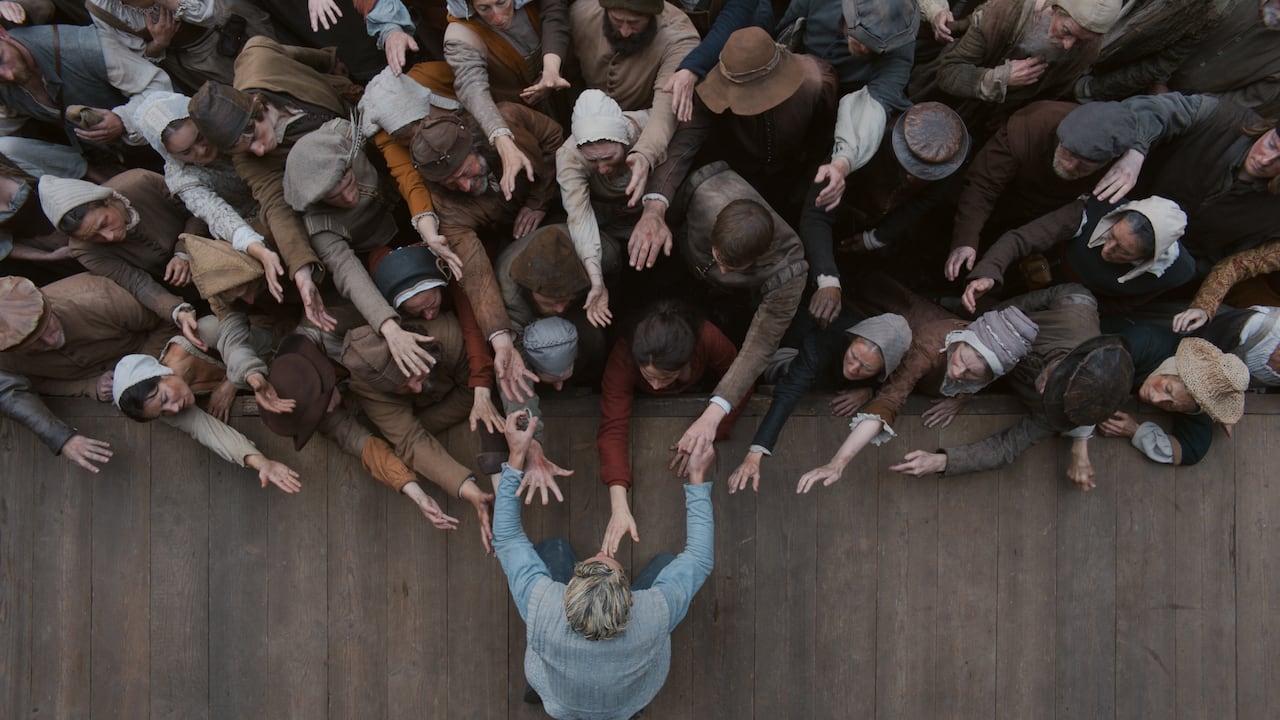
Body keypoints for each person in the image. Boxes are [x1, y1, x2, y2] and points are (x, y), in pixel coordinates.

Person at [493, 408, 714, 719]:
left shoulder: (543, 603)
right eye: (613, 566)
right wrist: (697, 477)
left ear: (568, 593)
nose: (604, 553)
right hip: (627, 702)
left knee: (555, 548)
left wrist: (516, 455)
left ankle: (545, 691)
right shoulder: (654, 612)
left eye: (593, 564)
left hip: (559, 701)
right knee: (667, 563)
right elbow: (698, 559)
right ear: (631, 601)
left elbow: (507, 539)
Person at [186, 36, 360, 333]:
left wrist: (329, 60)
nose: (258, 151)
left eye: (254, 137)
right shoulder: (248, 161)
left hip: (352, 106)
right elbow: (276, 206)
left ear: (257, 107)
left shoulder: (258, 57)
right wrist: (302, 270)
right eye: (244, 149)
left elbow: (298, 54)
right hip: (349, 173)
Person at [944, 92, 1215, 281]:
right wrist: (965, 240)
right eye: (1067, 153)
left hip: (1048, 214)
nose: (1071, 165)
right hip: (1006, 194)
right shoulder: (1032, 125)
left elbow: (1156, 114)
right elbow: (983, 184)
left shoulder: (1119, 167)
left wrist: (1137, 152)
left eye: (1084, 164)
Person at [798, 305, 1038, 493]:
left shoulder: (1000, 365)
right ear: (963, 339)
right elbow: (890, 399)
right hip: (891, 328)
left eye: (970, 374)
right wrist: (838, 462)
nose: (957, 373)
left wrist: (961, 399)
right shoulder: (927, 348)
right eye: (960, 360)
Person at [409, 107, 563, 400]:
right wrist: (501, 341)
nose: (465, 186)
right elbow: (476, 273)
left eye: (466, 172)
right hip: (505, 232)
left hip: (553, 201)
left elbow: (555, 138)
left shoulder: (506, 120)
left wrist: (539, 200)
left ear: (476, 146)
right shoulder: (447, 203)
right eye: (452, 183)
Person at [672, 163, 807, 472]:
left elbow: (760, 346)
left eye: (733, 267)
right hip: (679, 260)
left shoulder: (789, 269)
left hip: (736, 304)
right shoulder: (703, 189)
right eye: (720, 259)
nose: (723, 271)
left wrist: (712, 415)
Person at [260, 332, 465, 532]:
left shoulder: (338, 334)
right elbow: (365, 447)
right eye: (318, 412)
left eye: (322, 405)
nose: (329, 411)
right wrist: (418, 495)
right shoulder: (320, 416)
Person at [642, 25, 838, 231]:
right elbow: (683, 144)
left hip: (793, 176)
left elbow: (822, 144)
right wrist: (655, 207)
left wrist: (805, 188)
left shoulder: (817, 83)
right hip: (736, 178)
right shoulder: (707, 90)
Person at [799, 100, 969, 326]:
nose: (911, 177)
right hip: (830, 211)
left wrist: (875, 238)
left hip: (871, 221)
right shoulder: (862, 140)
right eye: (909, 166)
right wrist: (828, 280)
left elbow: (924, 202)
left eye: (922, 172)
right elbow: (815, 215)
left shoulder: (946, 161)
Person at [598, 300, 744, 554]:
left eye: (664, 377)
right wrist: (619, 507)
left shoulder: (708, 338)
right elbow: (613, 428)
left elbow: (742, 382)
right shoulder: (624, 355)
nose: (655, 386)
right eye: (648, 375)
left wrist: (711, 432)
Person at [726, 311, 910, 494]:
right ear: (852, 339)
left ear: (883, 370)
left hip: (833, 375)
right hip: (789, 358)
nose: (854, 367)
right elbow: (789, 392)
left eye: (866, 368)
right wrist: (754, 455)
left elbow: (898, 387)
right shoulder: (823, 341)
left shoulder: (899, 366)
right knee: (803, 377)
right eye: (854, 356)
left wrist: (869, 391)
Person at [131, 90, 288, 300]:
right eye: (187, 152)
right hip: (256, 217)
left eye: (200, 137)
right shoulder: (181, 177)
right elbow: (217, 214)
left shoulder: (223, 121)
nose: (201, 150)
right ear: (171, 154)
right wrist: (260, 251)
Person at [38, 171, 208, 351]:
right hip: (187, 291)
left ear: (108, 200)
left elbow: (198, 210)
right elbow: (135, 282)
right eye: (94, 237)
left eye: (104, 223)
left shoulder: (141, 182)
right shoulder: (83, 249)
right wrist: (177, 310)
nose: (109, 237)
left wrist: (183, 251)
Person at [961, 195, 1194, 312]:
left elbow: (1124, 303)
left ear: (1147, 258)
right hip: (1035, 265)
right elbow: (1022, 238)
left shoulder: (1173, 272)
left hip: (1066, 301)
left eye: (1123, 251)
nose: (1107, 249)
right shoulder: (1093, 210)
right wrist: (989, 272)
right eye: (1111, 235)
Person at [112, 353, 303, 492]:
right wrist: (262, 464)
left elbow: (256, 333)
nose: (174, 409)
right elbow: (211, 433)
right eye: (163, 413)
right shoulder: (173, 411)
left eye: (165, 398)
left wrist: (233, 381)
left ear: (162, 373)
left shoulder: (196, 339)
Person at [933, 0, 1122, 138]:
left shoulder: (1087, 49)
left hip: (992, 128)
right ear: (1054, 9)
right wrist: (999, 78)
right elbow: (948, 72)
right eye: (1066, 31)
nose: (1068, 45)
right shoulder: (1002, 13)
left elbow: (1050, 97)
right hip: (944, 107)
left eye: (1081, 40)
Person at [0, 23, 171, 174]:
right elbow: (7, 125)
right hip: (106, 160)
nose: (8, 75)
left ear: (2, 33)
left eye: (2, 59)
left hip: (168, 140)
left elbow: (158, 86)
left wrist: (122, 120)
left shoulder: (85, 47)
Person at [568, 0, 700, 191]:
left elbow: (665, 108)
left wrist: (645, 153)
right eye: (616, 20)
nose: (624, 32)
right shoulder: (580, 13)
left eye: (635, 23)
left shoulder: (679, 38)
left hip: (644, 128)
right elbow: (571, 75)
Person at [442, 0, 571, 181]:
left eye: (501, 2)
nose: (498, 17)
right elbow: (472, 88)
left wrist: (550, 70)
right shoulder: (461, 33)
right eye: (485, 8)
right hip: (523, 106)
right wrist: (500, 136)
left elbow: (555, 13)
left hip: (568, 79)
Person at [555, 90, 650, 325]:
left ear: (624, 140)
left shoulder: (646, 126)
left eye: (609, 157)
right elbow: (580, 217)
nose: (603, 168)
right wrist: (596, 280)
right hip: (610, 223)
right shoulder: (569, 156)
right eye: (593, 161)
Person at [1099, 332, 1249, 465]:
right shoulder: (1143, 343)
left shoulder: (1195, 404)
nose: (1156, 399)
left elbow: (1192, 450)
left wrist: (1135, 431)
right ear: (1172, 370)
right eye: (1167, 388)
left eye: (1171, 405)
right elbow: (1093, 373)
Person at [84, 0, 275, 93]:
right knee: (260, 93)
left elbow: (209, 15)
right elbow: (131, 61)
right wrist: (158, 43)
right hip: (203, 62)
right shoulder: (102, 9)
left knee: (282, 64)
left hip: (236, 21)